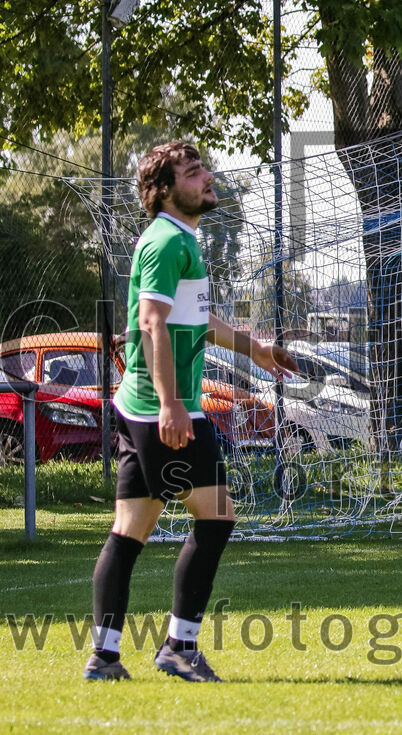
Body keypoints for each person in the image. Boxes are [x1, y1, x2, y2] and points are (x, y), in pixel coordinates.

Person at [84, 142, 299, 682]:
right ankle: (179, 647)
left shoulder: (180, 241)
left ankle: (105, 657)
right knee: (219, 516)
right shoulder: (164, 242)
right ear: (163, 189)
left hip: (144, 404)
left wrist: (255, 348)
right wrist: (174, 405)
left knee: (130, 528)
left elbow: (197, 321)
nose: (206, 178)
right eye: (192, 171)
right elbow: (154, 324)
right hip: (163, 407)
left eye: (203, 168)